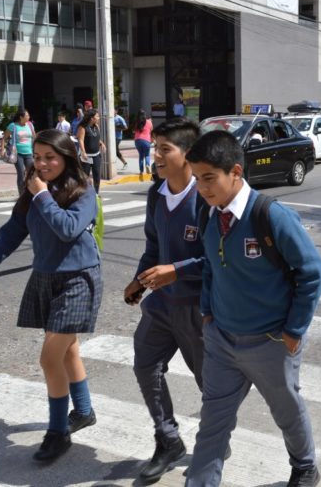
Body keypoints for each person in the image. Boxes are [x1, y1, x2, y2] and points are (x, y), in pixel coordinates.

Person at [184, 130, 321, 487]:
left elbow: (312, 272)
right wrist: (207, 315)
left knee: (286, 411)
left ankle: (305, 465)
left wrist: (293, 331)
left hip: (270, 342)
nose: (201, 188)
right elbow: (210, 267)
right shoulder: (209, 214)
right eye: (196, 179)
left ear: (235, 171)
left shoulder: (270, 215)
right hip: (221, 340)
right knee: (212, 425)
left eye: (208, 178)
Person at [0, 129, 102, 463]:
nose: (41, 163)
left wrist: (41, 196)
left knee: (49, 357)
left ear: (67, 158)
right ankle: (83, 411)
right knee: (67, 350)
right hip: (45, 276)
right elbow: (11, 232)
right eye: (37, 157)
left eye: (49, 157)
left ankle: (58, 433)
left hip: (78, 279)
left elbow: (67, 229)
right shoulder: (34, 191)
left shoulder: (84, 191)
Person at [123, 118, 206, 484]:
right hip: (160, 306)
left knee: (211, 385)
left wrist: (176, 270)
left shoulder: (206, 197)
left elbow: (220, 259)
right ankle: (168, 439)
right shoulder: (156, 194)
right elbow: (153, 246)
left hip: (199, 310)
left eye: (163, 149)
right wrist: (139, 280)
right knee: (145, 366)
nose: (155, 155)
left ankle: (215, 439)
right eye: (154, 147)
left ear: (186, 155)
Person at [1, 109, 37, 195]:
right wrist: (2, 149)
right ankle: (22, 194)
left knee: (31, 172)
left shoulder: (30, 125)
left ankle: (31, 192)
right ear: (21, 117)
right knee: (21, 173)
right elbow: (4, 138)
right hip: (17, 154)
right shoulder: (13, 126)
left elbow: (34, 137)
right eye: (27, 116)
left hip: (29, 152)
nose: (29, 117)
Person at [76, 109, 106, 193]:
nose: (99, 118)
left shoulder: (96, 126)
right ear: (92, 118)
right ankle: (85, 193)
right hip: (87, 156)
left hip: (96, 155)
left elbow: (96, 137)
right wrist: (83, 152)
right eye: (97, 116)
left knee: (97, 175)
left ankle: (96, 193)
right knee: (85, 176)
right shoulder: (83, 127)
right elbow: (81, 140)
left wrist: (101, 143)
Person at [134, 109, 154, 175]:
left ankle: (141, 171)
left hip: (137, 141)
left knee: (141, 155)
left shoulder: (137, 122)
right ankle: (147, 165)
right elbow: (152, 132)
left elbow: (134, 131)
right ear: (145, 115)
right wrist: (152, 140)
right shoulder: (149, 122)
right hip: (146, 140)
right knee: (147, 155)